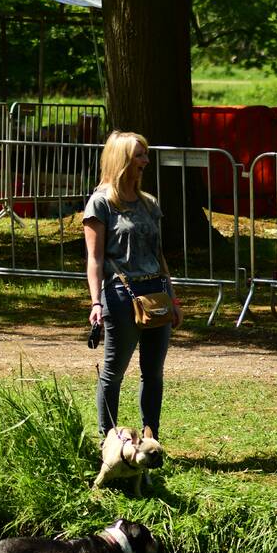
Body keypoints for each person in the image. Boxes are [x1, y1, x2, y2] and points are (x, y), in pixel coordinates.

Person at [84, 131, 183, 442]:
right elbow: (95, 258)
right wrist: (96, 302)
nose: (146, 161)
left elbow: (159, 256)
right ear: (122, 159)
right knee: (113, 372)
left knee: (153, 373)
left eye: (145, 154)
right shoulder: (101, 203)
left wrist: (173, 299)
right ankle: (108, 441)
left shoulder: (149, 203)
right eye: (139, 155)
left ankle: (151, 439)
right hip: (120, 294)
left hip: (156, 292)